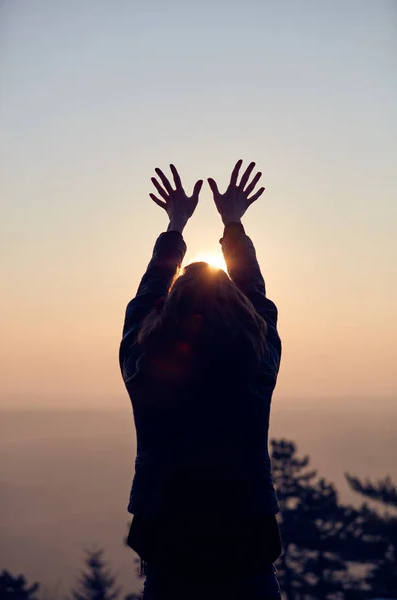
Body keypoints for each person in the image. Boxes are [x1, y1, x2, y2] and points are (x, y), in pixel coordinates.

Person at [119, 160, 282, 599]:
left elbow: (142, 306)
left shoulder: (145, 371)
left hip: (171, 566)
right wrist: (233, 223)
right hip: (248, 562)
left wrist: (175, 226)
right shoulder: (256, 369)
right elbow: (257, 300)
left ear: (167, 316)